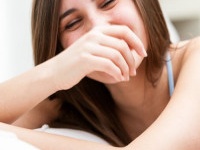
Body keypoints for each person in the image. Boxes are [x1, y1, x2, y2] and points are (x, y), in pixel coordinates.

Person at [1, 0, 200, 149]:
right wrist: (54, 71)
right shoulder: (72, 102)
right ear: (59, 47)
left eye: (107, 2)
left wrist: (8, 134)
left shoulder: (195, 58)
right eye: (73, 23)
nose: (99, 29)